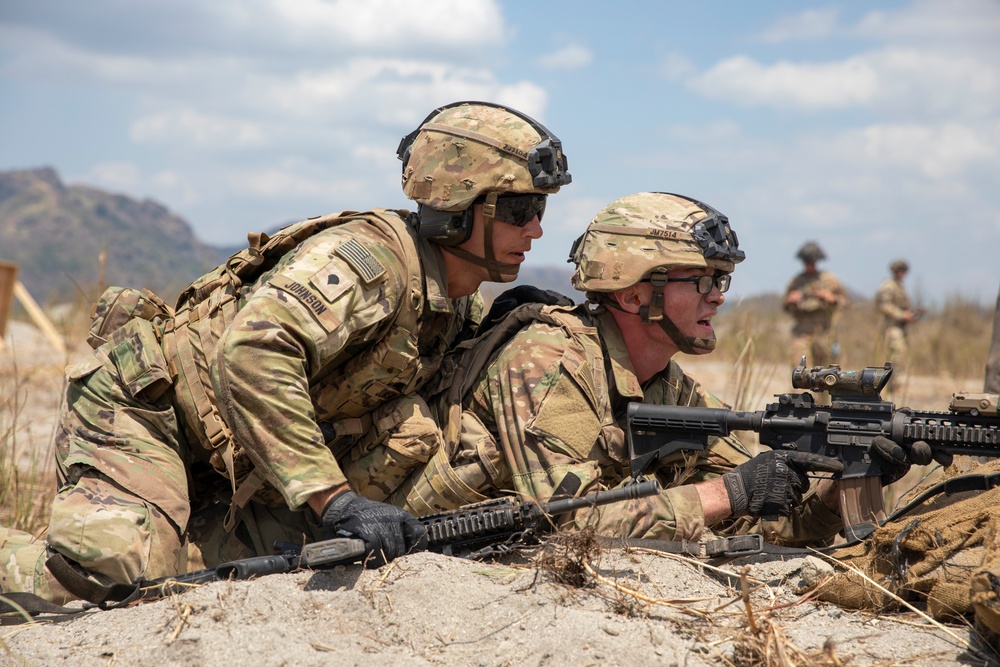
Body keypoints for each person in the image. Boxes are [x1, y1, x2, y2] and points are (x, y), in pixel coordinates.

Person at [0, 100, 571, 604]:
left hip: (238, 453)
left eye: (539, 212)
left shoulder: (451, 304)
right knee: (117, 571)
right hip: (149, 410)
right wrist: (337, 501)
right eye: (519, 212)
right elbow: (253, 351)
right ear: (459, 208)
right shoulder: (369, 263)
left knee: (202, 578)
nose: (536, 232)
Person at [339, 193, 921, 546]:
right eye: (703, 280)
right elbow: (571, 523)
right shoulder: (547, 360)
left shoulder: (671, 388)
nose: (719, 296)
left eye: (723, 280)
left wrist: (839, 482)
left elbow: (766, 519)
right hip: (346, 539)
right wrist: (727, 494)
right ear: (632, 293)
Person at [783, 241, 849, 367]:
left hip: (824, 331)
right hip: (802, 331)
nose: (809, 265)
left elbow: (846, 302)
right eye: (806, 262)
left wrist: (832, 298)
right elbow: (785, 306)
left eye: (811, 262)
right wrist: (790, 300)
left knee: (824, 373)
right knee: (801, 371)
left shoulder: (829, 280)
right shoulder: (796, 281)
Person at [874, 259, 924, 372]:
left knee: (900, 356)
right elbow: (883, 305)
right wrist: (902, 315)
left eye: (903, 271)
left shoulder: (900, 286)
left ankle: (895, 384)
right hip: (891, 327)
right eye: (899, 270)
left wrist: (913, 314)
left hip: (901, 327)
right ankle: (895, 384)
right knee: (897, 355)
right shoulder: (888, 285)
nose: (902, 273)